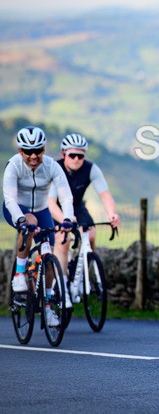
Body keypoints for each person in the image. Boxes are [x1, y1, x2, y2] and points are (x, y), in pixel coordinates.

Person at [3, 126, 75, 326]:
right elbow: (10, 199)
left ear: (44, 149)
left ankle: (48, 306)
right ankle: (19, 274)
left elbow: (66, 196)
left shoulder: (52, 166)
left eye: (38, 150)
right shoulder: (14, 165)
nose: (33, 156)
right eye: (28, 151)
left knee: (49, 256)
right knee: (30, 224)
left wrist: (67, 219)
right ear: (20, 151)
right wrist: (21, 220)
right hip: (17, 208)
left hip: (42, 210)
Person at [48, 133, 121, 255]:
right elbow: (51, 203)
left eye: (80, 156)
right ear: (63, 154)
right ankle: (61, 268)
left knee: (90, 236)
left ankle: (86, 263)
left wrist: (112, 214)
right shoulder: (55, 169)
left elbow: (105, 196)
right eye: (72, 155)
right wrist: (66, 219)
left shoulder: (91, 169)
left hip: (76, 206)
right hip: (55, 209)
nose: (76, 159)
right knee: (62, 240)